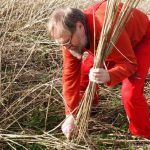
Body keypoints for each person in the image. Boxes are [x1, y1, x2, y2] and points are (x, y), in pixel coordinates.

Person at [47, 0, 150, 139]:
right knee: (85, 75)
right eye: (62, 44)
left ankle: (143, 133)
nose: (66, 47)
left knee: (130, 94)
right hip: (107, 45)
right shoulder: (69, 38)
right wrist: (70, 114)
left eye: (67, 42)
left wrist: (109, 75)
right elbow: (70, 77)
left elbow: (130, 64)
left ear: (79, 27)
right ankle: (88, 107)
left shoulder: (107, 29)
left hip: (140, 40)